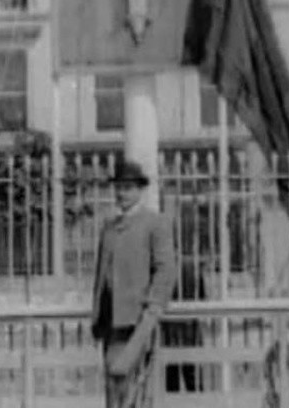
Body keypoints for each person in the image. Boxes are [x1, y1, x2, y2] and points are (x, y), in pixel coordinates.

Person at [91, 161, 178, 408]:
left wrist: (153, 308)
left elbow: (166, 268)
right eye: (118, 187)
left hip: (137, 322)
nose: (122, 193)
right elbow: (101, 274)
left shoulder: (154, 223)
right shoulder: (109, 226)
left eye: (128, 188)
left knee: (136, 393)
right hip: (110, 322)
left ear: (140, 190)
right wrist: (97, 315)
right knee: (113, 392)